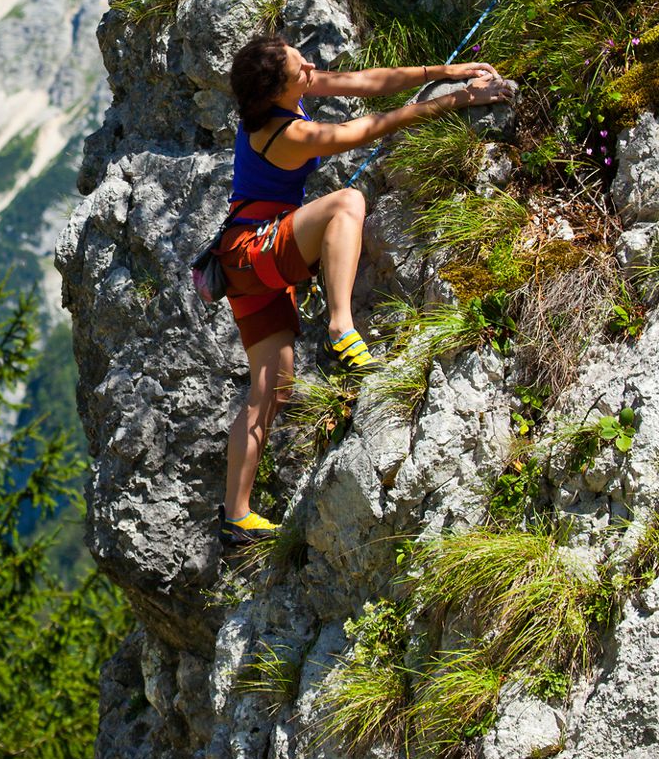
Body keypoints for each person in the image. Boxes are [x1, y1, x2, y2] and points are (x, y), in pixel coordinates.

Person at [214, 31, 516, 548]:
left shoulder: (285, 97)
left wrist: (446, 71)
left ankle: (235, 514)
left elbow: (363, 83)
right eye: (299, 69)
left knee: (274, 386)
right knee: (347, 202)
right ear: (276, 91)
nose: (310, 67)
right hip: (256, 249)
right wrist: (457, 103)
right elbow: (372, 126)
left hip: (245, 258)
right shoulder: (289, 136)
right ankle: (340, 326)